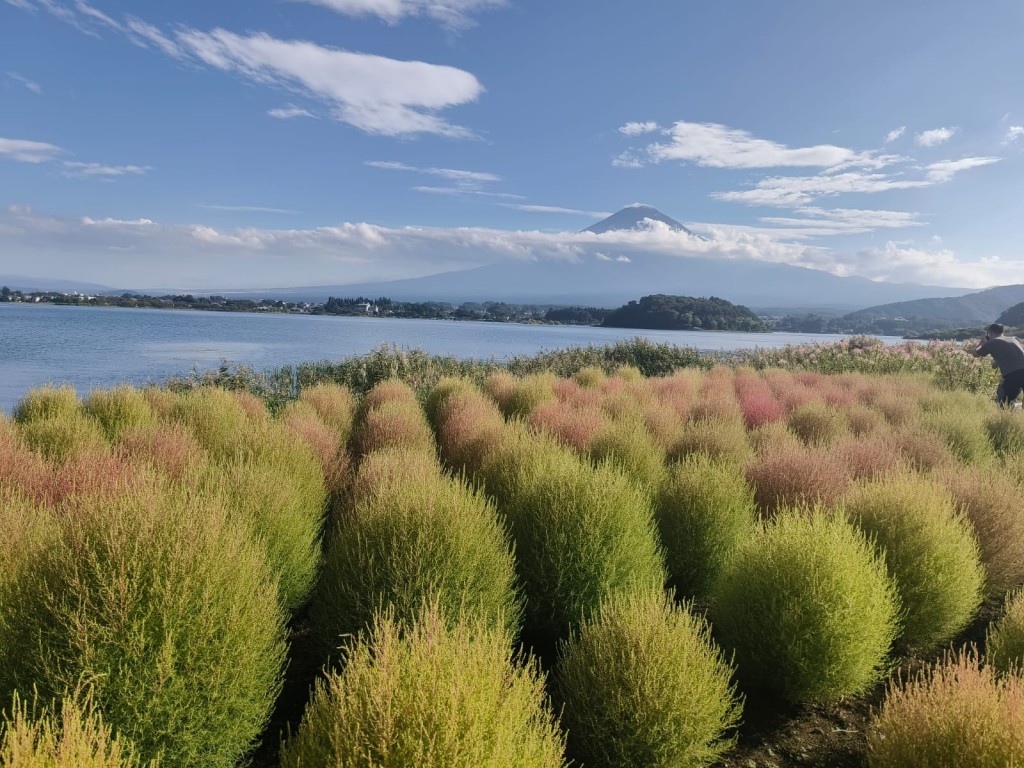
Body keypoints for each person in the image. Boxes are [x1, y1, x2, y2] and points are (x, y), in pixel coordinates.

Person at [972, 323, 1024, 406]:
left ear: (990, 333)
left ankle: (1004, 417)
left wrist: (981, 343)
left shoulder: (991, 343)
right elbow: (1002, 361)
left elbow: (975, 354)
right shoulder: (1014, 339)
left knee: (1003, 401)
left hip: (1013, 375)